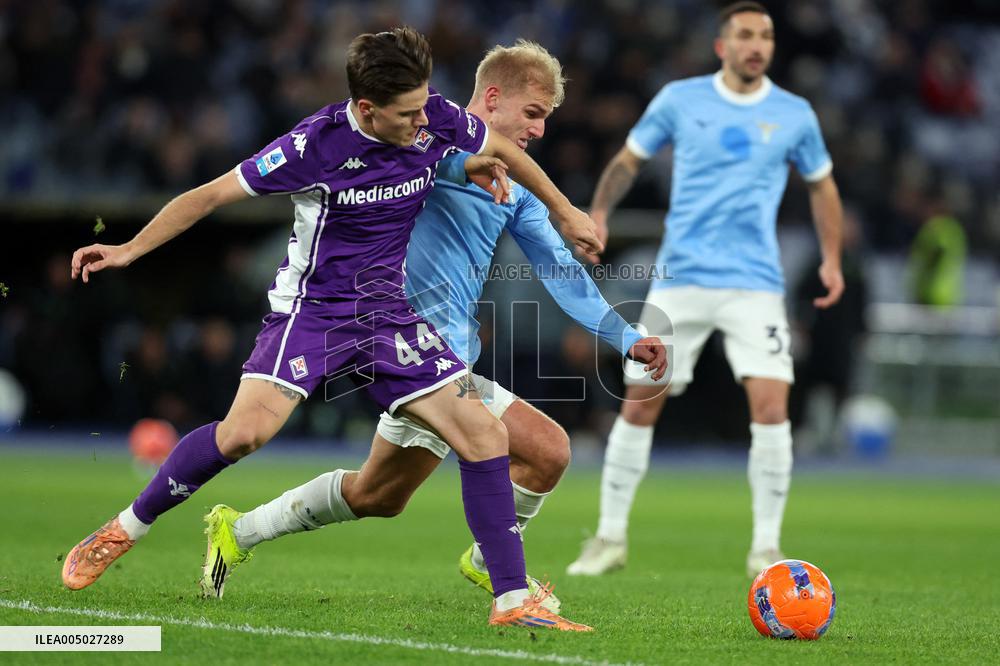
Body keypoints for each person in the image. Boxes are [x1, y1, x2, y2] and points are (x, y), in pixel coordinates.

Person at [62, 27, 604, 631]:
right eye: (407, 114)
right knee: (243, 436)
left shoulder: (434, 116)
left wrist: (561, 207)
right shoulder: (312, 147)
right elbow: (210, 195)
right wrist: (130, 250)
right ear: (367, 109)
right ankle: (123, 528)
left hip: (387, 314)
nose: (423, 122)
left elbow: (504, 149)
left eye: (425, 106)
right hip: (313, 312)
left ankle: (510, 601)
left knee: (483, 436)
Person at [202, 39, 666, 618]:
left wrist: (625, 337)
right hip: (393, 346)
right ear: (492, 99)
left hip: (449, 360)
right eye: (534, 113)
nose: (541, 131)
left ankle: (238, 533)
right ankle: (500, 570)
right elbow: (390, 151)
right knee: (547, 449)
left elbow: (559, 269)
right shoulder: (418, 144)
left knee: (379, 496)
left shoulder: (514, 188)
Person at [566, 2, 845, 578]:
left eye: (765, 36)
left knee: (772, 409)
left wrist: (833, 257)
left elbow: (822, 187)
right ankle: (609, 538)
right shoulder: (680, 99)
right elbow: (627, 160)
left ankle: (766, 547)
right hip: (681, 279)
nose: (756, 45)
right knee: (640, 402)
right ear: (722, 46)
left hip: (755, 285)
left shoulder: (795, 114)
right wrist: (597, 211)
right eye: (744, 35)